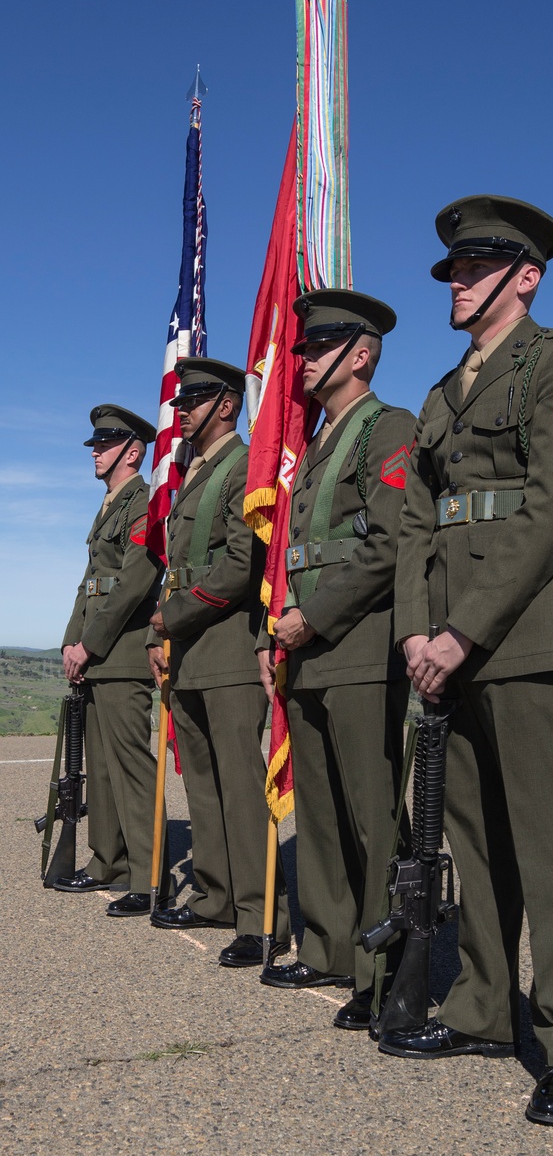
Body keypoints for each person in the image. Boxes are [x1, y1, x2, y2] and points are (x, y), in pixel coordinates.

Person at [390, 194, 553, 1127]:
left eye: (476, 267)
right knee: (472, 842)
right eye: (450, 269)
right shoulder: (442, 394)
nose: (457, 280)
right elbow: (411, 521)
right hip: (444, 642)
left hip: (521, 636)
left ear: (525, 275)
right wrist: (414, 628)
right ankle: (483, 1006)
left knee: (550, 846)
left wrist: (462, 629)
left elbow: (550, 510)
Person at [257, 289, 415, 1032]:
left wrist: (309, 620)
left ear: (360, 354)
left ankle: (384, 969)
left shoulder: (388, 429)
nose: (305, 360)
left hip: (358, 646)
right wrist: (272, 635)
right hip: (306, 648)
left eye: (318, 349)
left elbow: (386, 545)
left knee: (369, 814)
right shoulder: (319, 442)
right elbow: (295, 554)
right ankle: (325, 944)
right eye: (304, 349)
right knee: (319, 813)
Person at [147, 358, 290, 965]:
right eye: (180, 402)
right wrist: (163, 630)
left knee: (237, 784)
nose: (180, 412)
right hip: (191, 654)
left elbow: (240, 567)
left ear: (226, 406)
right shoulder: (195, 472)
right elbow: (178, 566)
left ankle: (261, 918)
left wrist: (169, 619)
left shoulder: (241, 469)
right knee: (201, 784)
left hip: (229, 647)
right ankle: (215, 896)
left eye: (194, 401)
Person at [56, 405, 164, 912]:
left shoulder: (141, 502)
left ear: (133, 452)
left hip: (121, 652)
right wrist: (69, 640)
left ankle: (145, 877)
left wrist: (90, 644)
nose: (95, 452)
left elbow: (133, 582)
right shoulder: (108, 507)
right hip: (97, 653)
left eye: (105, 444)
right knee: (98, 768)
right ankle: (109, 862)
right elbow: (90, 583)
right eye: (95, 445)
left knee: (129, 766)